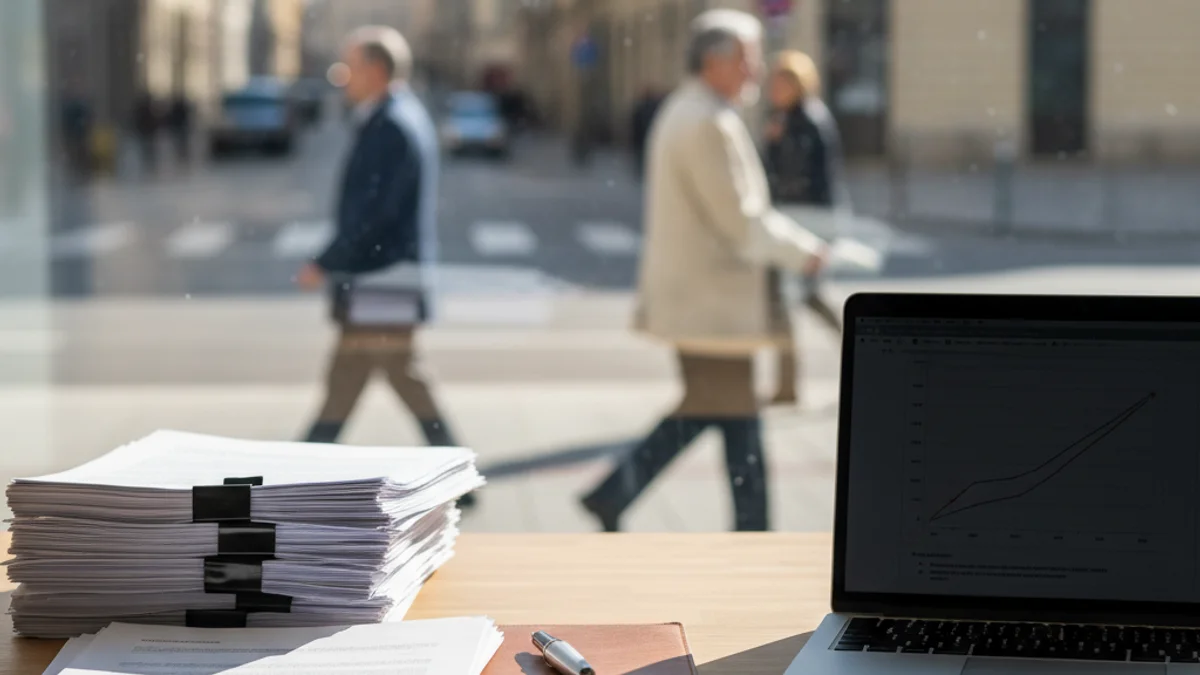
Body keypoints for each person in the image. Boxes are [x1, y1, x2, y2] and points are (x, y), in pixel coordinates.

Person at [579, 10, 827, 532]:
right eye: (748, 61)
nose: (755, 73)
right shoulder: (707, 122)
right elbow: (742, 221)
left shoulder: (692, 110)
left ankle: (617, 493)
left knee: (718, 411)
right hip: (712, 307)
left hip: (705, 302)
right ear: (714, 61)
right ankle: (751, 532)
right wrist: (806, 250)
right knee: (734, 418)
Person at [296, 26, 473, 506]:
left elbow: (370, 217)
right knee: (360, 376)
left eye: (347, 67)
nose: (342, 78)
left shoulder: (391, 125)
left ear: (374, 71)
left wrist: (324, 261)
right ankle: (300, 466)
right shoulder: (395, 117)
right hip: (387, 278)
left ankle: (298, 469)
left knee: (382, 375)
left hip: (383, 279)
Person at [762, 50, 848, 405]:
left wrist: (778, 141)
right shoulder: (788, 119)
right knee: (801, 298)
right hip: (795, 223)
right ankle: (788, 383)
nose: (774, 88)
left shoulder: (809, 121)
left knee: (788, 298)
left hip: (804, 225)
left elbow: (806, 179)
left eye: (782, 82)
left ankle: (788, 385)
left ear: (797, 85)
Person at [629, 85, 663, 178]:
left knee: (642, 156)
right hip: (646, 136)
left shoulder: (641, 108)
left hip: (641, 137)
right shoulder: (653, 108)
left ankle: (642, 172)